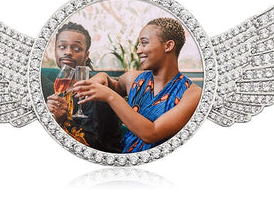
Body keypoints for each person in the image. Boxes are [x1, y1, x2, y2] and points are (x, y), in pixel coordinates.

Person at [73, 17, 202, 153]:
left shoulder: (192, 94)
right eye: (138, 45)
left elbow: (151, 134)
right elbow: (114, 86)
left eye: (144, 43)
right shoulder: (133, 78)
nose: (138, 51)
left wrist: (110, 96)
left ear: (168, 46)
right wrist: (103, 76)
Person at [41, 22, 122, 153]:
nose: (68, 52)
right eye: (62, 47)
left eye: (77, 48)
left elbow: (91, 145)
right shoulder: (60, 87)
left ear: (86, 55)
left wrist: (59, 123)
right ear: (55, 51)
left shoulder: (95, 91)